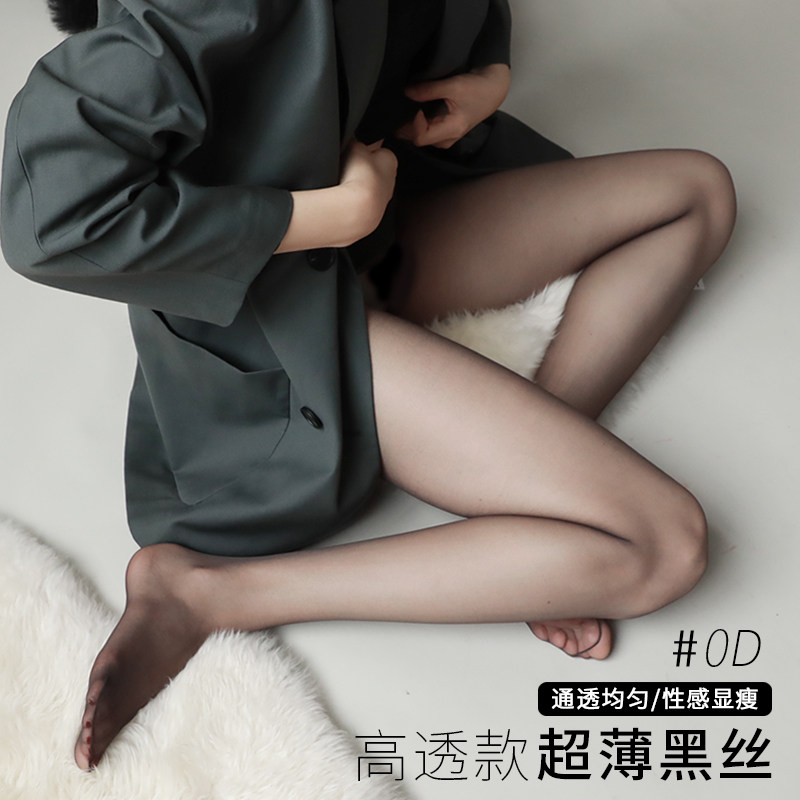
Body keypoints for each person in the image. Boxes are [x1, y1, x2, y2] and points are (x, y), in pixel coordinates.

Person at [1, 0, 736, 772]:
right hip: (277, 312)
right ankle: (218, 592)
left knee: (699, 192)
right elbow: (49, 221)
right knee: (664, 546)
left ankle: (525, 486)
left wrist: (488, 75)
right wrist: (322, 217)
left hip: (385, 222)